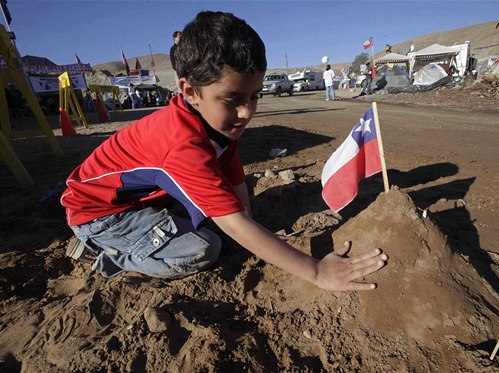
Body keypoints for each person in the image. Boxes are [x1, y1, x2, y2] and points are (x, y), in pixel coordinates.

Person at [61, 11, 388, 291]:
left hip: (146, 197)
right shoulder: (181, 144)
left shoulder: (216, 126)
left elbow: (235, 187)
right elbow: (233, 224)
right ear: (190, 91)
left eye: (255, 96)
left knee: (216, 222)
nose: (247, 112)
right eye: (233, 100)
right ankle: (107, 255)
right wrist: (317, 272)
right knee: (203, 248)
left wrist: (255, 230)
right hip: (101, 214)